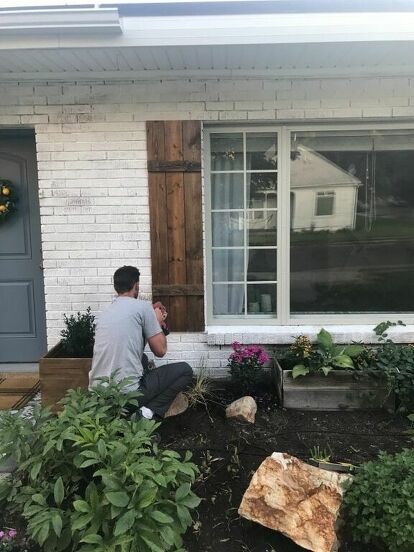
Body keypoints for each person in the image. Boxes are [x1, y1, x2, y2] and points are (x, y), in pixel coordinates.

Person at [89, 265, 193, 420]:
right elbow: (161, 351)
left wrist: (148, 321)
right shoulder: (143, 308)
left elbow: (133, 345)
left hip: (99, 396)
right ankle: (145, 414)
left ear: (116, 287)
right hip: (126, 398)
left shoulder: (106, 313)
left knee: (143, 358)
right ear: (136, 286)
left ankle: (129, 411)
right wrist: (156, 322)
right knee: (185, 370)